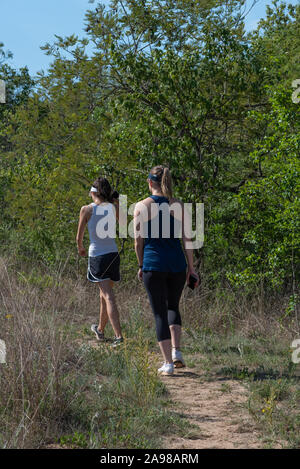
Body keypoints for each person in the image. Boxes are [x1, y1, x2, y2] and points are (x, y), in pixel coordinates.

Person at [134, 165, 200, 375]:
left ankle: (167, 364)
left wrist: (141, 264)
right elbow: (188, 240)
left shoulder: (141, 206)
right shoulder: (179, 206)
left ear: (149, 182)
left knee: (159, 313)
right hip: (177, 265)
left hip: (153, 264)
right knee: (173, 307)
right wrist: (191, 268)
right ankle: (177, 352)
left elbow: (138, 241)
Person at [76, 176, 123, 347]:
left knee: (108, 295)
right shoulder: (112, 208)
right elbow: (124, 223)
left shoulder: (87, 209)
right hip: (113, 254)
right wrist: (117, 203)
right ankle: (100, 330)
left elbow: (79, 236)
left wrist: (80, 248)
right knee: (103, 294)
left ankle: (118, 336)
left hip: (98, 256)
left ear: (93, 191)